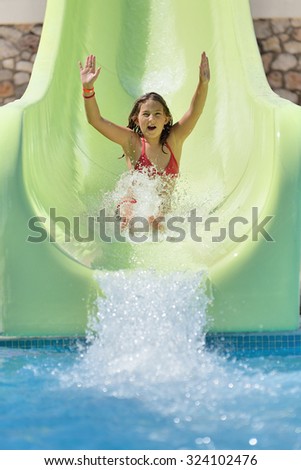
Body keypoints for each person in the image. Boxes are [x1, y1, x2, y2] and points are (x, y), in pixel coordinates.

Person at [79, 52, 210, 230]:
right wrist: (88, 89)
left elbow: (194, 112)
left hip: (159, 210)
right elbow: (96, 121)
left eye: (157, 114)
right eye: (146, 114)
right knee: (128, 217)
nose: (151, 119)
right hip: (131, 204)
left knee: (158, 222)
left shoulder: (174, 139)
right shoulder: (132, 141)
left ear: (166, 119)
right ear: (136, 119)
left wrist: (203, 84)